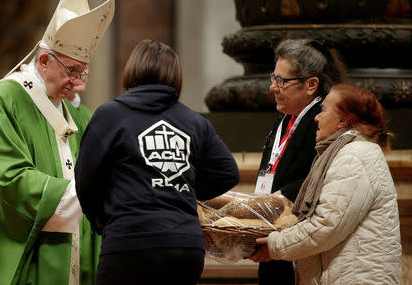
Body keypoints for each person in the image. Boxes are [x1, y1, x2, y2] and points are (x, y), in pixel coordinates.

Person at [0, 0, 114, 284]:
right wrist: (78, 195)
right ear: (44, 61)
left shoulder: (67, 110)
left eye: (83, 71)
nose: (77, 80)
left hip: (69, 250)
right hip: (29, 258)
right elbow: (7, 180)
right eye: (71, 71)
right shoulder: (5, 102)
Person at [74, 39, 240, 285]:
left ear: (132, 71)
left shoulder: (110, 116)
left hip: (129, 242)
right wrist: (183, 187)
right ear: (176, 77)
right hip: (185, 245)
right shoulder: (194, 121)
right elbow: (228, 173)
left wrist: (106, 221)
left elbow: (85, 180)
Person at [250, 84, 402, 284]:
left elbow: (326, 226)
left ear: (342, 120)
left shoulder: (354, 156)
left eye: (323, 110)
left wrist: (275, 245)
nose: (317, 117)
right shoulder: (346, 153)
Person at [254, 38, 347, 284]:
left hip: (298, 246)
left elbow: (317, 179)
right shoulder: (284, 120)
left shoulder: (322, 122)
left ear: (311, 84)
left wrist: (270, 202)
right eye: (273, 78)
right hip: (273, 235)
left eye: (282, 81)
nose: (273, 87)